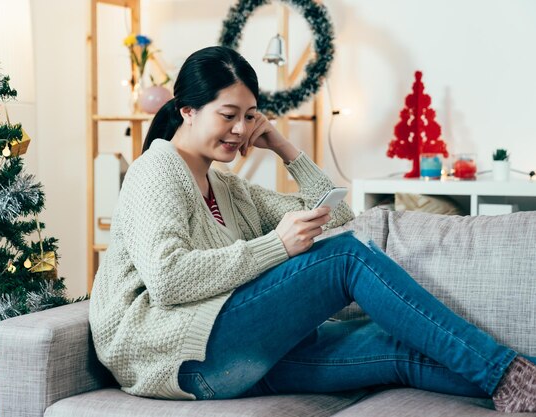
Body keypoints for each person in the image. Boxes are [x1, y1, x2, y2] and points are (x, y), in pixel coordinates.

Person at [89, 46, 536, 413]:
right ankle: (503, 372)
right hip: (179, 358)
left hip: (240, 355)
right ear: (188, 111)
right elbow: (169, 279)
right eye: (228, 115)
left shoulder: (226, 185)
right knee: (346, 256)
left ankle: (524, 382)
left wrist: (285, 148)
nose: (240, 129)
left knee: (397, 351)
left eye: (250, 116)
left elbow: (336, 214)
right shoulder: (156, 171)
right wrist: (275, 247)